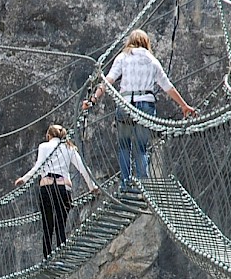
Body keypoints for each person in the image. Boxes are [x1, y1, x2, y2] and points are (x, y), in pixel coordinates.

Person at [82, 29, 197, 192]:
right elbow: (167, 87)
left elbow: (108, 81)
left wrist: (93, 100)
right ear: (146, 43)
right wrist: (184, 105)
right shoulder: (152, 60)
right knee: (141, 148)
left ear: (130, 42)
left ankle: (125, 183)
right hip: (145, 106)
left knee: (124, 147)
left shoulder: (123, 57)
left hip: (125, 105)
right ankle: (143, 184)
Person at [14, 124, 100, 258]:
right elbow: (83, 167)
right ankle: (61, 257)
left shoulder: (44, 146)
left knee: (47, 225)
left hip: (46, 188)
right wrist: (92, 186)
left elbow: (39, 166)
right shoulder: (69, 147)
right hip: (63, 189)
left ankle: (47, 258)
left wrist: (24, 179)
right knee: (61, 224)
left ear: (49, 136)